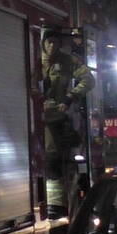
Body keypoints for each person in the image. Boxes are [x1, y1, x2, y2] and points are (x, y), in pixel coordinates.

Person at [41, 29, 95, 219]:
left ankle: (55, 205)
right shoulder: (32, 59)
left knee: (52, 159)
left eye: (55, 42)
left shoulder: (68, 61)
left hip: (54, 119)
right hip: (32, 118)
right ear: (43, 43)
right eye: (49, 42)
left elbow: (89, 79)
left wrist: (70, 97)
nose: (52, 46)